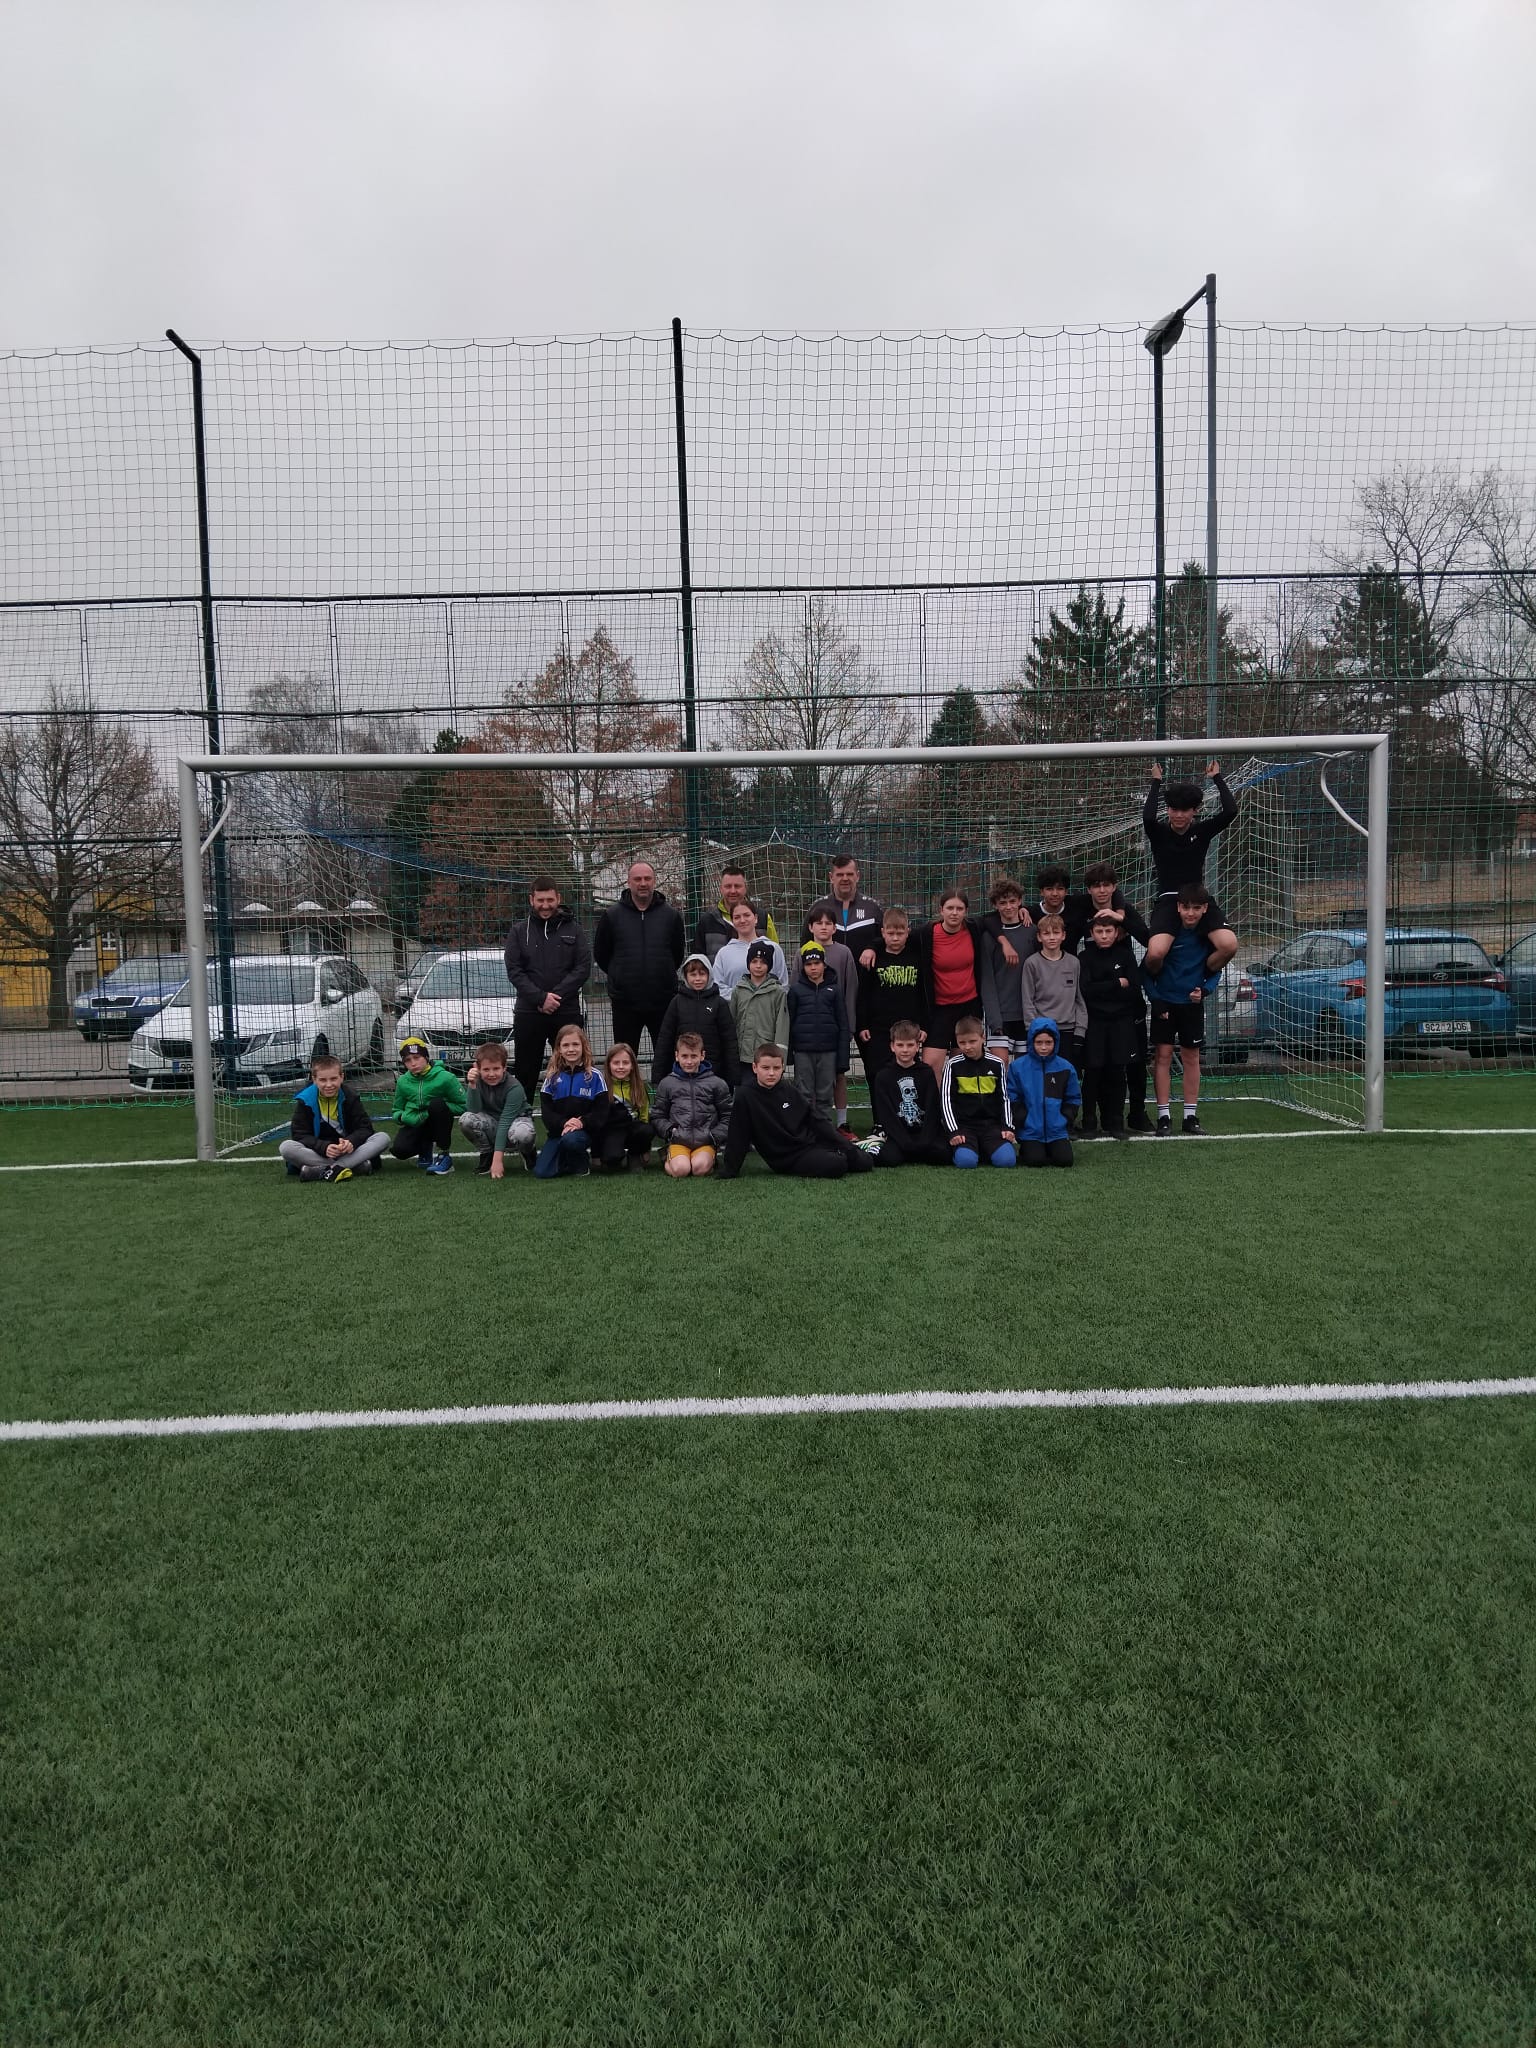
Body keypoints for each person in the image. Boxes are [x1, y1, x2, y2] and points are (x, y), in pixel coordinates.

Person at [1070, 862, 1153, 1131]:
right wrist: (1115, 983)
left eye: (1107, 885)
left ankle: (1135, 1114)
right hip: (1095, 1012)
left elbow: (1148, 939)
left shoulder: (1124, 911)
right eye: (1096, 886)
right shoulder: (1082, 912)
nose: (1102, 890)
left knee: (1131, 1063)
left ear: (1114, 887)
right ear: (1089, 889)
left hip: (1125, 1011)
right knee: (1095, 1068)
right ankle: (1094, 1119)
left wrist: (1120, 917)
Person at [1141, 759, 1239, 979]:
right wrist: (1156, 781)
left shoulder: (1202, 831)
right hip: (1169, 899)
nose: (1179, 815)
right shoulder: (1159, 833)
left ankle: (1201, 978)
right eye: (1174, 809)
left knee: (1229, 945)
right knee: (1156, 953)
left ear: (1195, 811)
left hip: (1197, 899)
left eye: (1185, 810)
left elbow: (1231, 811)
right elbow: (1147, 816)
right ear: (1168, 809)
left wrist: (1217, 777)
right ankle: (1155, 983)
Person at [718, 1043, 874, 1180]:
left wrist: (845, 1145)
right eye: (765, 1068)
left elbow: (815, 1120)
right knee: (837, 1164)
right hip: (787, 1158)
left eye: (776, 1068)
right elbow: (738, 1135)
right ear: (755, 1068)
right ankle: (839, 1155)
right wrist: (730, 1169)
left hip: (810, 1144)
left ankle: (856, 1151)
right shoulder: (745, 1096)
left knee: (864, 1161)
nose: (771, 1073)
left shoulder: (788, 1089)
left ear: (782, 1068)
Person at [504, 876, 592, 1106]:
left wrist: (556, 997)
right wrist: (540, 998)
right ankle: (521, 1118)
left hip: (566, 1011)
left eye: (550, 900)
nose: (545, 905)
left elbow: (582, 968)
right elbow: (514, 971)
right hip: (529, 1012)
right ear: (531, 900)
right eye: (540, 900)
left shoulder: (574, 929)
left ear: (558, 899)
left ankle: (570, 1115)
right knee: (525, 1070)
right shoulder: (518, 931)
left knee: (571, 1067)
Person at [1143, 885, 1222, 1135]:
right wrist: (1156, 999)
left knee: (1191, 1058)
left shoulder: (1207, 937)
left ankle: (1190, 1116)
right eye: (1186, 907)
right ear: (1178, 907)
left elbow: (1216, 970)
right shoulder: (1166, 935)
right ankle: (1163, 1116)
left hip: (1191, 1007)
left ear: (1205, 909)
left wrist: (1205, 990)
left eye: (1196, 908)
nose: (1190, 913)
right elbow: (1145, 970)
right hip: (1165, 1005)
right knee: (1163, 1057)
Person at [592, 860, 686, 1065]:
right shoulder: (612, 916)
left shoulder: (671, 916)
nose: (643, 883)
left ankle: (664, 1087)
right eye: (637, 879)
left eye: (647, 878)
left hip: (663, 1001)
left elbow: (677, 954)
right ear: (629, 882)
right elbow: (601, 954)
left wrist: (662, 974)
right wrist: (619, 976)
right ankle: (627, 1089)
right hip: (625, 1003)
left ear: (654, 881)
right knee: (624, 1060)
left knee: (666, 1059)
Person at [1077, 913, 1144, 1139]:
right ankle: (1089, 1122)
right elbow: (1086, 991)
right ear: (1092, 933)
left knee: (1117, 1072)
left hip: (1121, 1023)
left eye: (1108, 931)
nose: (1104, 936)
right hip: (1094, 1023)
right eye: (1099, 931)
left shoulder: (1125, 956)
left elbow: (1134, 990)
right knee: (1093, 1072)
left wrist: (1103, 989)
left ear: (1117, 933)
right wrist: (1116, 984)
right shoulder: (1084, 958)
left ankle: (1116, 1122)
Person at [280, 1052, 390, 1181]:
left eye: (333, 1079)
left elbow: (365, 1128)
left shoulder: (350, 1096)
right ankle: (350, 1167)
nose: (329, 1085)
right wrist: (324, 1147)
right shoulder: (305, 1100)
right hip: (319, 1153)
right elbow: (299, 1134)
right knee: (286, 1147)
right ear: (314, 1079)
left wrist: (351, 1142)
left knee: (383, 1138)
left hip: (348, 1151)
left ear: (341, 1077)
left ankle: (323, 1170)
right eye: (323, 1080)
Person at [857, 907, 931, 1097]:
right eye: (890, 933)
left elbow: (924, 994)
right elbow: (863, 994)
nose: (895, 938)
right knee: (877, 1074)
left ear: (908, 932)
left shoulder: (917, 956)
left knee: (907, 1075)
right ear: (882, 932)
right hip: (879, 1028)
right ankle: (879, 1115)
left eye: (900, 933)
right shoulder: (873, 958)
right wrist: (862, 1024)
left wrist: (924, 1025)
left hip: (909, 1027)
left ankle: (907, 1112)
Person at [916, 889, 987, 1077]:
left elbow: (996, 921)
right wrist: (872, 947)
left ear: (966, 911)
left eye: (959, 908)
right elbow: (898, 936)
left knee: (963, 1067)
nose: (954, 913)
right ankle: (935, 1098)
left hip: (968, 1008)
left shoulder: (974, 928)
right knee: (930, 1066)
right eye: (950, 908)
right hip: (939, 1010)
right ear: (941, 910)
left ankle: (958, 1098)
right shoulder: (926, 933)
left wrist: (1023, 911)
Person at [867, 1020, 951, 1167]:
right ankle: (876, 1146)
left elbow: (932, 1110)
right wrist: (904, 1142)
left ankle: (916, 1151)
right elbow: (886, 1115)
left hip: (924, 1133)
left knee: (944, 1154)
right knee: (888, 1159)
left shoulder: (926, 1073)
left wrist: (925, 1140)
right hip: (898, 1135)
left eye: (910, 1045)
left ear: (918, 1046)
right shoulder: (883, 1076)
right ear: (892, 1046)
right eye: (900, 1045)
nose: (905, 1050)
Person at [938, 1015, 1016, 1168]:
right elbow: (946, 1100)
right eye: (962, 1043)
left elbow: (1004, 1098)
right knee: (966, 1162)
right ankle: (970, 1150)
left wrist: (1007, 1127)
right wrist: (954, 1131)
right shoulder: (952, 1065)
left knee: (1006, 1161)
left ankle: (983, 1149)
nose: (967, 1047)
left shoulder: (997, 1063)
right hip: (965, 1126)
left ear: (983, 1038)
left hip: (991, 1126)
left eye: (972, 1041)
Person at [652, 1031, 733, 1177]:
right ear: (677, 1056)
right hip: (679, 1140)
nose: (689, 1061)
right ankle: (669, 1157)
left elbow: (728, 1115)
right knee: (681, 1170)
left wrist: (714, 1136)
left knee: (699, 1169)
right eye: (684, 1056)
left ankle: (708, 1159)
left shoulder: (717, 1083)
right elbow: (658, 1115)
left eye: (693, 1056)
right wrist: (670, 1131)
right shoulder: (667, 1083)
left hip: (705, 1141)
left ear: (702, 1055)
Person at [533, 1022, 608, 1179]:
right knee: (542, 1172)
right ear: (559, 1049)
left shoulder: (595, 1076)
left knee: (572, 1140)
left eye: (575, 1044)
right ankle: (566, 1159)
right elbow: (547, 1113)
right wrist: (564, 1123)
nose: (571, 1049)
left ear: (583, 1046)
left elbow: (601, 1112)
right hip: (559, 1131)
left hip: (584, 1132)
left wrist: (581, 1122)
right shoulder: (551, 1078)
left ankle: (581, 1163)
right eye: (566, 1045)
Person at [653, 952, 740, 1085]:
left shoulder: (719, 1003)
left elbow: (729, 1041)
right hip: (682, 1072)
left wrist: (733, 1077)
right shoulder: (677, 1002)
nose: (698, 979)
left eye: (702, 974)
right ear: (685, 976)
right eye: (693, 974)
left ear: (709, 975)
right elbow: (665, 1039)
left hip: (713, 1072)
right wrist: (658, 1075)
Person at [786, 942, 849, 1123]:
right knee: (803, 1094)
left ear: (824, 964)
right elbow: (789, 1023)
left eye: (817, 963)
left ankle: (824, 1130)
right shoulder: (795, 991)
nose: (813, 968)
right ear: (803, 966)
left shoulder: (835, 990)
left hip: (829, 1052)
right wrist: (789, 1054)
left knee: (824, 1096)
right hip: (803, 1052)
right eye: (808, 964)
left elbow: (843, 1024)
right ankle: (804, 1130)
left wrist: (842, 1057)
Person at [1005, 1018, 1081, 1168]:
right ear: (1031, 1042)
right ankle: (1030, 1149)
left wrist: (1065, 1118)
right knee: (1035, 1161)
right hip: (1030, 1129)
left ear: (1056, 1042)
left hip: (1057, 1130)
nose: (1044, 1047)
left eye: (1048, 1042)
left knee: (1065, 1161)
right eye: (1039, 1042)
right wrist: (1023, 1119)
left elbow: (1073, 1098)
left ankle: (1050, 1148)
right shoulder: (1017, 1067)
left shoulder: (1066, 1067)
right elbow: (1012, 1097)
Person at [979, 878, 1037, 1064]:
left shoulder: (1032, 931)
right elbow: (987, 980)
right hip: (1000, 1014)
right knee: (999, 1064)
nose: (1008, 906)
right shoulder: (989, 937)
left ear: (1020, 901)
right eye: (1003, 903)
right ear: (995, 905)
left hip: (1027, 1014)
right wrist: (994, 1019)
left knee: (1024, 1067)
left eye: (1012, 901)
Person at [390, 1035, 468, 1175]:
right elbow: (396, 1110)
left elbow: (463, 1105)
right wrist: (403, 1117)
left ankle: (444, 1155)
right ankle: (424, 1147)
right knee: (399, 1150)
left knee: (436, 1104)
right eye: (408, 1060)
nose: (413, 1063)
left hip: (437, 1121)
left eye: (417, 1057)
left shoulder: (446, 1077)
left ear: (426, 1057)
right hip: (415, 1122)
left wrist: (435, 1110)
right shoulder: (403, 1081)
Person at [1020, 914, 1087, 1069]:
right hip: (1042, 1030)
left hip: (1068, 1030)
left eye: (1056, 933)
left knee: (1066, 1075)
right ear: (1039, 937)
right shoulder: (1032, 963)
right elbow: (1027, 1000)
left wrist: (1080, 1032)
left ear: (1063, 935)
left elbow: (1080, 999)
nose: (1051, 937)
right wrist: (1033, 1030)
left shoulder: (1074, 963)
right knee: (1043, 1075)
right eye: (1046, 933)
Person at [461, 1039, 536, 1177]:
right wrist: (472, 1084)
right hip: (493, 1124)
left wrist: (498, 1161)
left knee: (523, 1134)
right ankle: (486, 1154)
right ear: (477, 1068)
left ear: (504, 1067)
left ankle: (528, 1152)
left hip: (514, 1123)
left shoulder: (514, 1087)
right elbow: (473, 1109)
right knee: (466, 1119)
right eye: (486, 1069)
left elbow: (505, 1121)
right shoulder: (478, 1080)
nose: (491, 1074)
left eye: (496, 1068)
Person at [803, 854, 884, 967]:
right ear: (831, 877)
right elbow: (805, 944)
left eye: (849, 874)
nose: (845, 878)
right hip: (827, 976)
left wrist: (872, 948)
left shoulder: (872, 908)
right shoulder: (818, 907)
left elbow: (885, 940)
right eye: (840, 875)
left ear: (857, 876)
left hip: (865, 975)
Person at [694, 864, 779, 964]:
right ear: (721, 889)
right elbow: (698, 961)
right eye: (728, 886)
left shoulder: (763, 917)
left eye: (737, 886)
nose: (733, 891)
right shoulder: (707, 920)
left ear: (745, 888)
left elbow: (775, 954)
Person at [592, 1042, 656, 1173]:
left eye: (625, 1063)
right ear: (608, 1065)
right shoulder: (602, 1087)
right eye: (616, 1063)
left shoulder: (639, 1086)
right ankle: (613, 1154)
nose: (621, 1067)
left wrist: (646, 1148)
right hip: (612, 1130)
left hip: (633, 1128)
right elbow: (596, 1122)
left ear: (632, 1065)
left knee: (647, 1129)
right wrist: (596, 1154)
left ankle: (634, 1155)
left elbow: (644, 1117)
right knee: (612, 1159)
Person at [711, 900, 789, 995]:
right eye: (737, 917)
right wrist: (743, 997)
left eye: (747, 915)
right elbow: (718, 986)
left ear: (755, 918)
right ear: (732, 921)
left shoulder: (773, 948)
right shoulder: (723, 953)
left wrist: (764, 998)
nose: (742, 920)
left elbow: (783, 985)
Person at [731, 941, 789, 1063]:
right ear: (748, 963)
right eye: (754, 961)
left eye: (763, 962)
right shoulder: (738, 990)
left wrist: (780, 1060)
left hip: (767, 1056)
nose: (758, 966)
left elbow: (782, 1027)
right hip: (742, 1056)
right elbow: (732, 1022)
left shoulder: (777, 992)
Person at [1030, 865, 1071, 932]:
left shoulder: (1076, 908)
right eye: (1049, 889)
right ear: (1041, 892)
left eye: (1060, 889)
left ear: (1066, 891)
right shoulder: (1030, 914)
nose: (1055, 894)